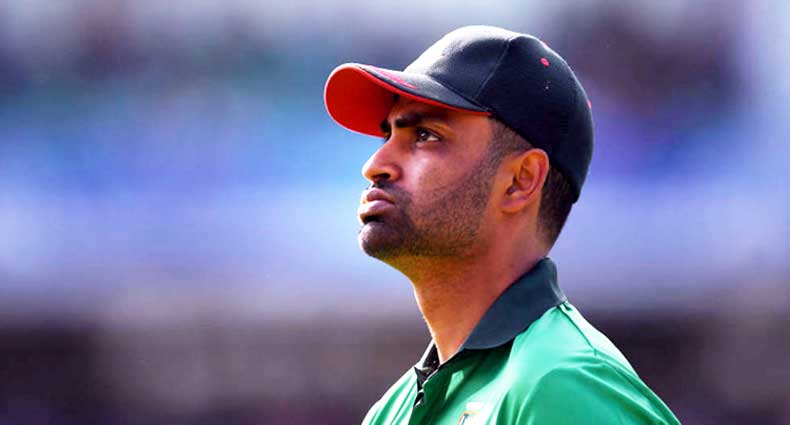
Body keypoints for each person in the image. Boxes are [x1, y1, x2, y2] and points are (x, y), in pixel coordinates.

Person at [323, 25, 680, 425]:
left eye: (425, 135)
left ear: (520, 181)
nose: (374, 165)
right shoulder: (390, 412)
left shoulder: (563, 384)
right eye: (388, 134)